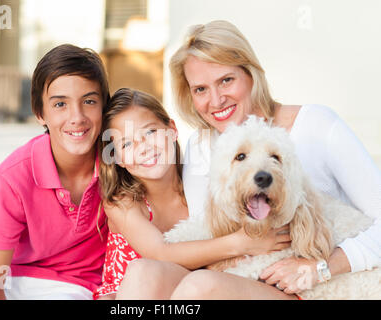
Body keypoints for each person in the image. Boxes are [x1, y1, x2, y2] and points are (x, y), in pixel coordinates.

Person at [162, 20, 381, 299]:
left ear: (251, 75)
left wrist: (320, 267)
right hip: (244, 280)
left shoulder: (316, 125)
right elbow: (204, 235)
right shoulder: (201, 145)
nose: (215, 101)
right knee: (147, 272)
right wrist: (242, 245)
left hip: (317, 286)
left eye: (226, 80)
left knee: (201, 287)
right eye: (200, 89)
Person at [0, 44, 110, 299]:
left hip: (73, 289)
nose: (77, 117)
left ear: (104, 107)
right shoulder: (14, 176)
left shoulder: (118, 164)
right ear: (40, 113)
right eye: (60, 104)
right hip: (10, 283)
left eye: (89, 101)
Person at [92, 88, 291, 300]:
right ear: (119, 159)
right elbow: (161, 254)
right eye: (126, 144)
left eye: (150, 132)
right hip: (134, 293)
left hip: (194, 291)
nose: (143, 148)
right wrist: (241, 243)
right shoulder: (121, 203)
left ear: (172, 129)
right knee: (142, 270)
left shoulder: (199, 187)